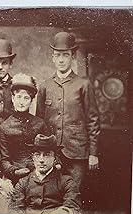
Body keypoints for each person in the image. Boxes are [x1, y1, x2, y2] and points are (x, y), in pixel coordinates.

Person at [36, 32, 100, 191]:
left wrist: (93, 153)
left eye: (66, 55)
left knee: (73, 195)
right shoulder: (45, 86)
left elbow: (93, 120)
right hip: (51, 151)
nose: (61, 59)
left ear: (73, 57)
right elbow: (39, 121)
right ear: (52, 58)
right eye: (58, 55)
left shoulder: (83, 84)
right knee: (51, 195)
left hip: (77, 152)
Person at [9, 134, 82, 214]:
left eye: (47, 155)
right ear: (33, 158)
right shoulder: (23, 183)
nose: (41, 160)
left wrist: (63, 212)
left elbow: (73, 208)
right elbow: (15, 210)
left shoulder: (67, 182)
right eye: (37, 154)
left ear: (55, 158)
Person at [0, 73, 48, 184]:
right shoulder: (4, 127)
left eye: (26, 98)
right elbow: (4, 159)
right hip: (15, 174)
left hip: (39, 171)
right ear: (12, 98)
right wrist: (15, 171)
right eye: (18, 97)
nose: (21, 102)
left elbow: (49, 151)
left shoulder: (40, 124)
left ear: (31, 100)